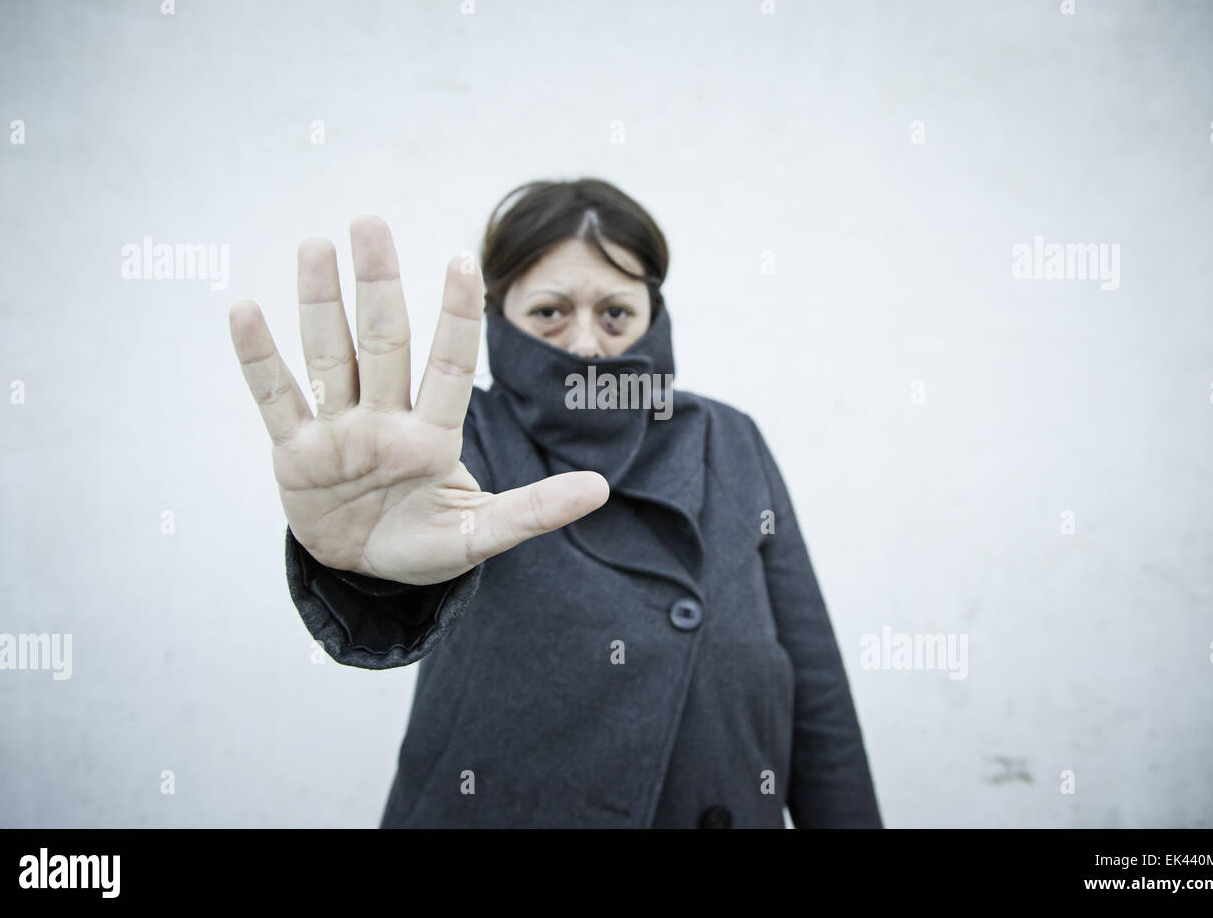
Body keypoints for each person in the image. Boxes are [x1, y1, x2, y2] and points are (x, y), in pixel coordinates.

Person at [227, 178, 883, 828]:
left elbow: (816, 685)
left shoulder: (729, 437)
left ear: (655, 316)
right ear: (498, 321)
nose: (588, 345)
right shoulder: (459, 440)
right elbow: (415, 558)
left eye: (615, 314)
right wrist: (361, 567)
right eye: (550, 311)